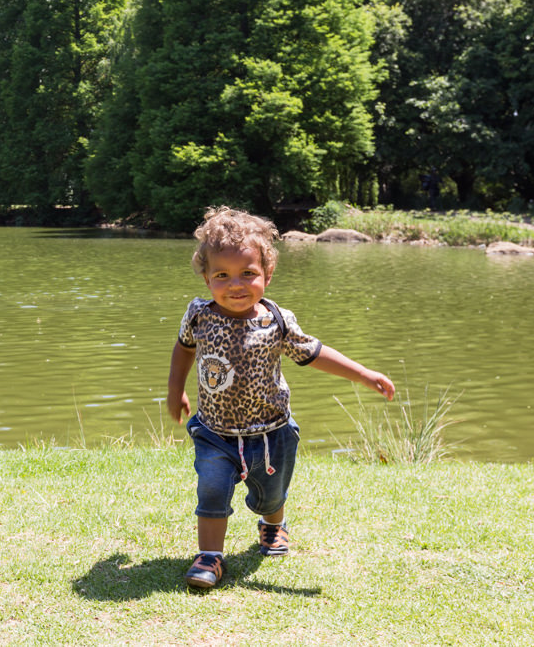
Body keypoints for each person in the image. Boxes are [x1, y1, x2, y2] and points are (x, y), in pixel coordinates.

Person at [167, 206, 395, 589]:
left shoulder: (276, 320)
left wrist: (364, 374)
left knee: (271, 495)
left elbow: (314, 353)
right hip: (214, 430)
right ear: (206, 278)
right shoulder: (198, 316)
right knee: (211, 487)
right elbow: (183, 349)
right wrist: (175, 391)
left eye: (248, 274)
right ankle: (210, 556)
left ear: (267, 275)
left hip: (271, 432)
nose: (235, 284)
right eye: (222, 275)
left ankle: (273, 524)